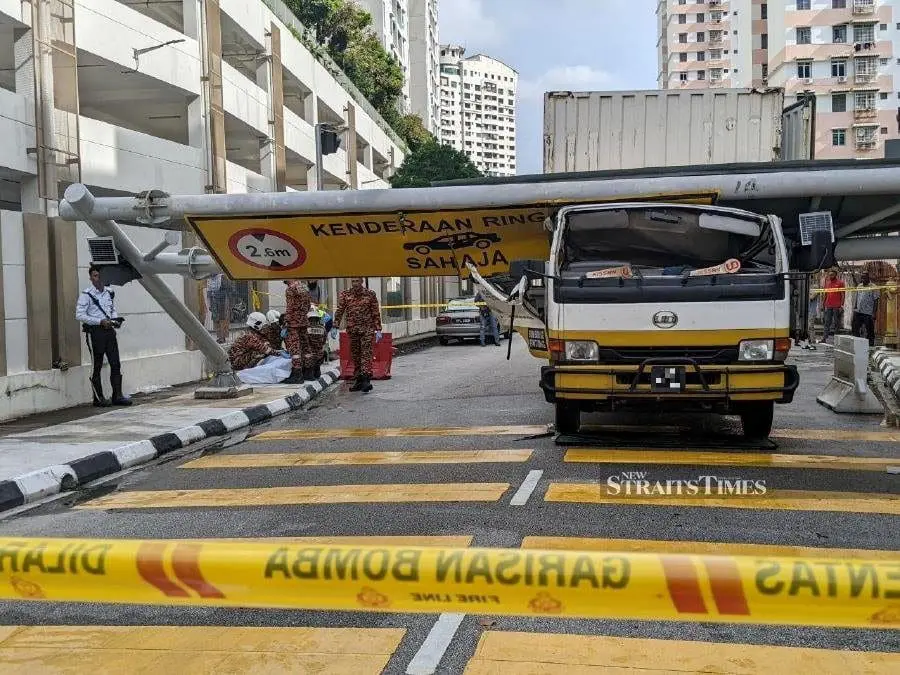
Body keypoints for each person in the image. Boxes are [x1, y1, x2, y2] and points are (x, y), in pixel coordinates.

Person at [75, 265, 131, 407]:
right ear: (91, 278)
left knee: (115, 363)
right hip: (95, 332)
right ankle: (98, 398)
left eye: (100, 276)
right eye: (95, 276)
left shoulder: (109, 293)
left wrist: (114, 320)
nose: (97, 279)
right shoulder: (86, 295)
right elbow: (79, 315)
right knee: (97, 365)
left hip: (109, 331)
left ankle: (117, 395)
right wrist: (99, 321)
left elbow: (112, 309)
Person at [334, 277, 382, 393]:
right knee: (355, 355)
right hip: (353, 330)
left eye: (357, 281)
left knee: (366, 354)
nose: (355, 283)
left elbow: (375, 312)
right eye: (353, 281)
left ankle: (366, 379)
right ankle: (359, 379)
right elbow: (340, 310)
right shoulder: (346, 294)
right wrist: (335, 325)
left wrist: (378, 329)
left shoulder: (370, 294)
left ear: (362, 282)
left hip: (367, 329)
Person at [283, 280, 313, 384]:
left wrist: (286, 321)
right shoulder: (304, 287)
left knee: (295, 348)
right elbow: (309, 305)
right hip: (303, 321)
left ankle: (297, 375)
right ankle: (309, 372)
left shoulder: (290, 289)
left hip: (293, 323)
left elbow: (290, 307)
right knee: (306, 347)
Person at [851, 271, 880, 347]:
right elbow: (857, 297)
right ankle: (857, 343)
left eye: (864, 277)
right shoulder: (859, 286)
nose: (863, 279)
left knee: (869, 329)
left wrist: (874, 313)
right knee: (855, 328)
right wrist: (855, 307)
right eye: (862, 277)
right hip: (858, 311)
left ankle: (870, 344)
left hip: (868, 312)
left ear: (868, 278)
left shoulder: (874, 287)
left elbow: (876, 300)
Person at [821, 269, 845, 344]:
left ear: (835, 275)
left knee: (836, 323)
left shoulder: (840, 283)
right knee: (827, 322)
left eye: (832, 275)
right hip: (828, 305)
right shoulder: (827, 283)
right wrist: (823, 304)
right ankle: (824, 338)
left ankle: (836, 339)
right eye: (830, 275)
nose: (830, 276)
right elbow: (825, 294)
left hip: (837, 306)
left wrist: (841, 305)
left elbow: (843, 295)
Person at [207, 273, 231, 343]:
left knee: (222, 319)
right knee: (215, 319)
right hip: (213, 301)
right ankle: (219, 336)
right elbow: (208, 292)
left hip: (222, 300)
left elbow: (229, 289)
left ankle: (222, 337)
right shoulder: (209, 279)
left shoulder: (222, 277)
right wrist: (209, 304)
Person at [304, 305, 327, 380]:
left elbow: (304, 341)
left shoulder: (307, 328)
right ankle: (317, 371)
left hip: (309, 354)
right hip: (319, 354)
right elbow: (324, 341)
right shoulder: (322, 328)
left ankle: (309, 373)